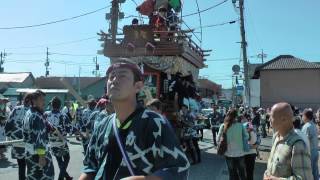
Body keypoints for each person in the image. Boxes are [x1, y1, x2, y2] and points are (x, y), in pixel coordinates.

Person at [79, 61, 189, 180]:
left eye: (122, 76)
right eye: (111, 77)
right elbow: (90, 167)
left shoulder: (155, 123)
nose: (114, 80)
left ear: (138, 86)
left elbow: (179, 169)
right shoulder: (102, 125)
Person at [264, 102, 313, 180]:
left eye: (271, 116)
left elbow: (305, 178)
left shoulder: (297, 144)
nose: (269, 119)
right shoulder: (277, 137)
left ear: (283, 119)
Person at [23, 90, 54, 180]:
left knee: (32, 177)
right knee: (46, 177)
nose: (44, 102)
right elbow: (39, 138)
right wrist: (42, 157)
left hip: (29, 153)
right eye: (42, 100)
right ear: (34, 101)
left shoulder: (29, 113)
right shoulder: (36, 116)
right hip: (38, 154)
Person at [5, 93, 32, 180]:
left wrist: (8, 136)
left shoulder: (16, 109)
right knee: (31, 165)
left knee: (21, 165)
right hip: (29, 143)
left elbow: (8, 123)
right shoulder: (33, 111)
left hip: (16, 142)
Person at [44, 97, 73, 180]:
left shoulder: (46, 114)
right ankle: (61, 178)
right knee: (67, 158)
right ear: (60, 105)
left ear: (51, 105)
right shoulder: (63, 115)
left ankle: (67, 177)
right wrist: (80, 133)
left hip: (51, 141)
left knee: (59, 160)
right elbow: (70, 129)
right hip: (61, 141)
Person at [217, 109, 247, 180]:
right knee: (242, 173)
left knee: (232, 174)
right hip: (240, 153)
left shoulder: (223, 126)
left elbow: (218, 139)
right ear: (236, 116)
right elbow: (246, 137)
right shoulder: (241, 125)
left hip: (228, 154)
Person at [301, 109, 319, 180]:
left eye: (302, 115)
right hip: (315, 150)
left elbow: (305, 141)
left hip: (309, 152)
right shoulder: (313, 124)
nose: (302, 117)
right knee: (315, 170)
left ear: (306, 116)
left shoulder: (306, 126)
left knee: (308, 171)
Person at [0, 94, 10, 159]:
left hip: (3, 125)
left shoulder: (6, 108)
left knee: (2, 139)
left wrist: (5, 119)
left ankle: (1, 153)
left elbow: (7, 115)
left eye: (5, 101)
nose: (4, 102)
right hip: (1, 124)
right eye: (3, 101)